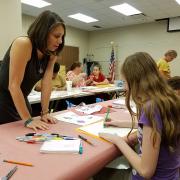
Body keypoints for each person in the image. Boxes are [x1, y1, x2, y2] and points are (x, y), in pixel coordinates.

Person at [99, 52, 180, 179]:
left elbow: (146, 171)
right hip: (171, 176)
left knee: (103, 174)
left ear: (136, 82)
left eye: (125, 82)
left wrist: (118, 140)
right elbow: (158, 128)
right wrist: (119, 123)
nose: (125, 88)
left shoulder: (151, 108)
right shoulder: (165, 100)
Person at [0, 10, 66, 131]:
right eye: (56, 36)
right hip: (3, 99)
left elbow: (47, 83)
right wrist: (28, 119)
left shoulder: (51, 53)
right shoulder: (24, 44)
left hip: (21, 98)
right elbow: (13, 85)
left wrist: (45, 112)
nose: (60, 41)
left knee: (30, 131)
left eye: (62, 37)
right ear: (43, 32)